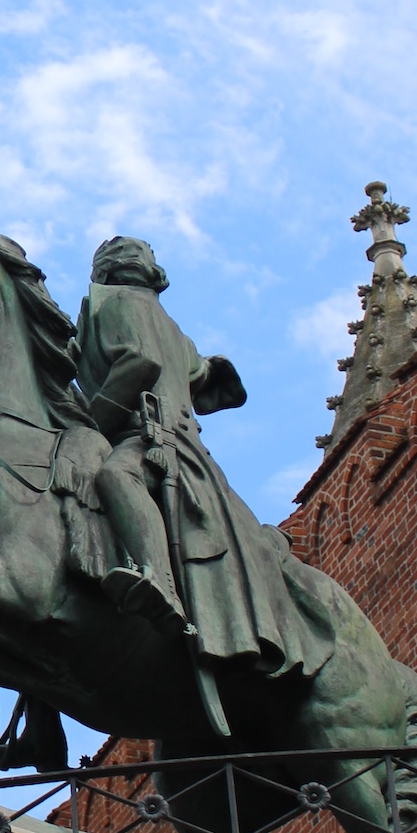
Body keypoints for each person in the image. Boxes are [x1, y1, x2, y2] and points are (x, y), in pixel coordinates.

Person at [75, 236, 326, 682]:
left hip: (152, 437)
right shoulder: (173, 328)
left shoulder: (115, 303)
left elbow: (139, 363)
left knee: (114, 476)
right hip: (186, 441)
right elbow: (209, 379)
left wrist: (91, 425)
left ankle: (159, 581)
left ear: (104, 272)